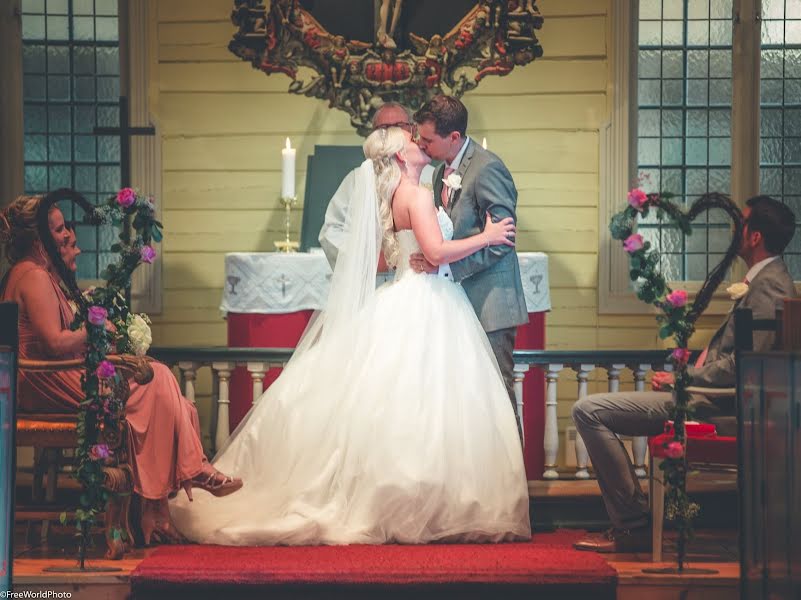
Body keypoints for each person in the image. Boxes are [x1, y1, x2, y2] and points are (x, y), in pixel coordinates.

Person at [170, 126, 531, 546]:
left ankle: (417, 492)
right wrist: (486, 237)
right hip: (429, 296)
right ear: (400, 157)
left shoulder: (402, 194)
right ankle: (432, 499)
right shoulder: (414, 195)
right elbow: (433, 253)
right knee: (429, 402)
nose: (420, 143)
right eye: (413, 141)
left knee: (409, 402)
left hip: (414, 292)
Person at [0, 194, 243, 545]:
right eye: (57, 229)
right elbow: (53, 343)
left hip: (52, 374)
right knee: (157, 379)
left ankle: (157, 509)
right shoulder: (33, 275)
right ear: (38, 238)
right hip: (44, 379)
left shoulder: (36, 274)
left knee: (165, 391)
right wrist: (97, 331)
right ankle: (185, 478)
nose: (67, 233)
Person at [571, 195, 797, 553]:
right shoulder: (767, 279)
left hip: (715, 405)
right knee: (590, 410)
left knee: (588, 411)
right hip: (706, 396)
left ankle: (633, 523)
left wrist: (685, 379)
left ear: (754, 237)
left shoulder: (769, 286)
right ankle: (634, 520)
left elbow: (745, 365)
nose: (733, 229)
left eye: (742, 222)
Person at [411, 95, 528, 438]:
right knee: (467, 399)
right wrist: (430, 256)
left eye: (428, 139)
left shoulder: (488, 168)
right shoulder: (438, 174)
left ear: (454, 138)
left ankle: (513, 483)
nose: (421, 144)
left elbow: (502, 241)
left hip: (490, 302)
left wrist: (445, 268)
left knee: (497, 395)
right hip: (457, 304)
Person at [319, 102, 423, 269]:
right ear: (374, 134)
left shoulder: (429, 174)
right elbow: (331, 231)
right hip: (374, 280)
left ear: (412, 129)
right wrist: (369, 260)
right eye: (384, 127)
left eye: (399, 126)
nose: (392, 132)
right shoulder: (356, 179)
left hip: (418, 276)